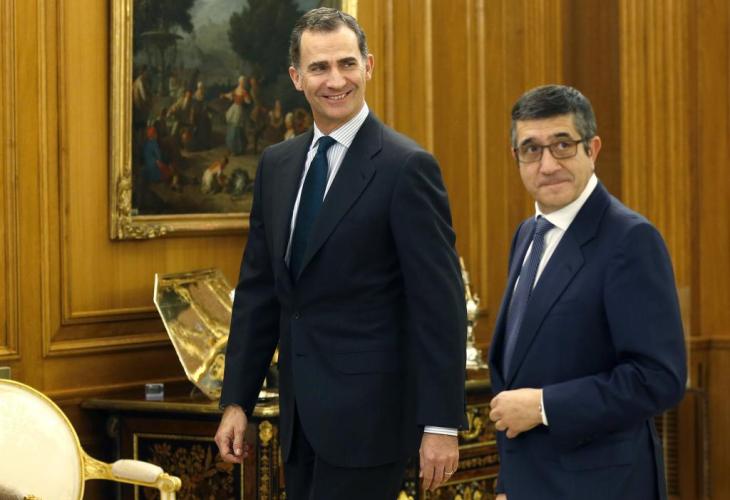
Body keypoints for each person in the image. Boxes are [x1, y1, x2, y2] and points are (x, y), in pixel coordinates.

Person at [214, 7, 467, 499]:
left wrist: (441, 423)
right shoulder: (276, 165)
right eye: (319, 67)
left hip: (372, 426)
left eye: (347, 63)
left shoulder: (406, 167)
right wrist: (237, 401)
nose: (336, 80)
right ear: (296, 78)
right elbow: (259, 292)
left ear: (368, 66)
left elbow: (440, 305)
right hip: (298, 425)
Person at [487, 84, 687, 500]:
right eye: (531, 149)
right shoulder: (527, 235)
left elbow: (659, 378)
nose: (547, 165)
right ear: (516, 157)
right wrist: (509, 485)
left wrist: (544, 406)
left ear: (592, 149)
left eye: (562, 145)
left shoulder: (630, 239)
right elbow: (518, 369)